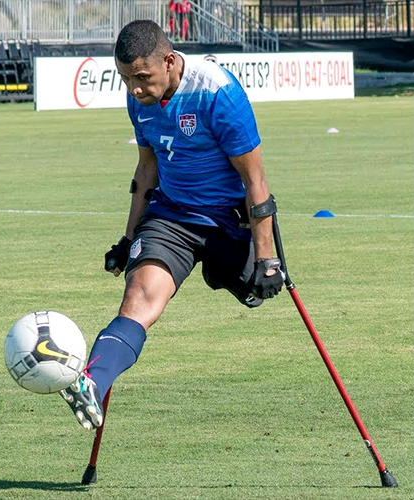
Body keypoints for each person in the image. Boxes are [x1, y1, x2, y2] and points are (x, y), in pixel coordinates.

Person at [60, 20, 283, 430]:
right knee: (139, 299)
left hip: (227, 219)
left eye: (142, 78)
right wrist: (128, 239)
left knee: (255, 293)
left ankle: (219, 270)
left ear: (168, 60)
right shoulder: (139, 101)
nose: (135, 89)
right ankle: (90, 383)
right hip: (171, 218)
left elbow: (256, 182)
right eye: (126, 79)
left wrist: (267, 259)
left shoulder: (219, 93)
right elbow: (146, 171)